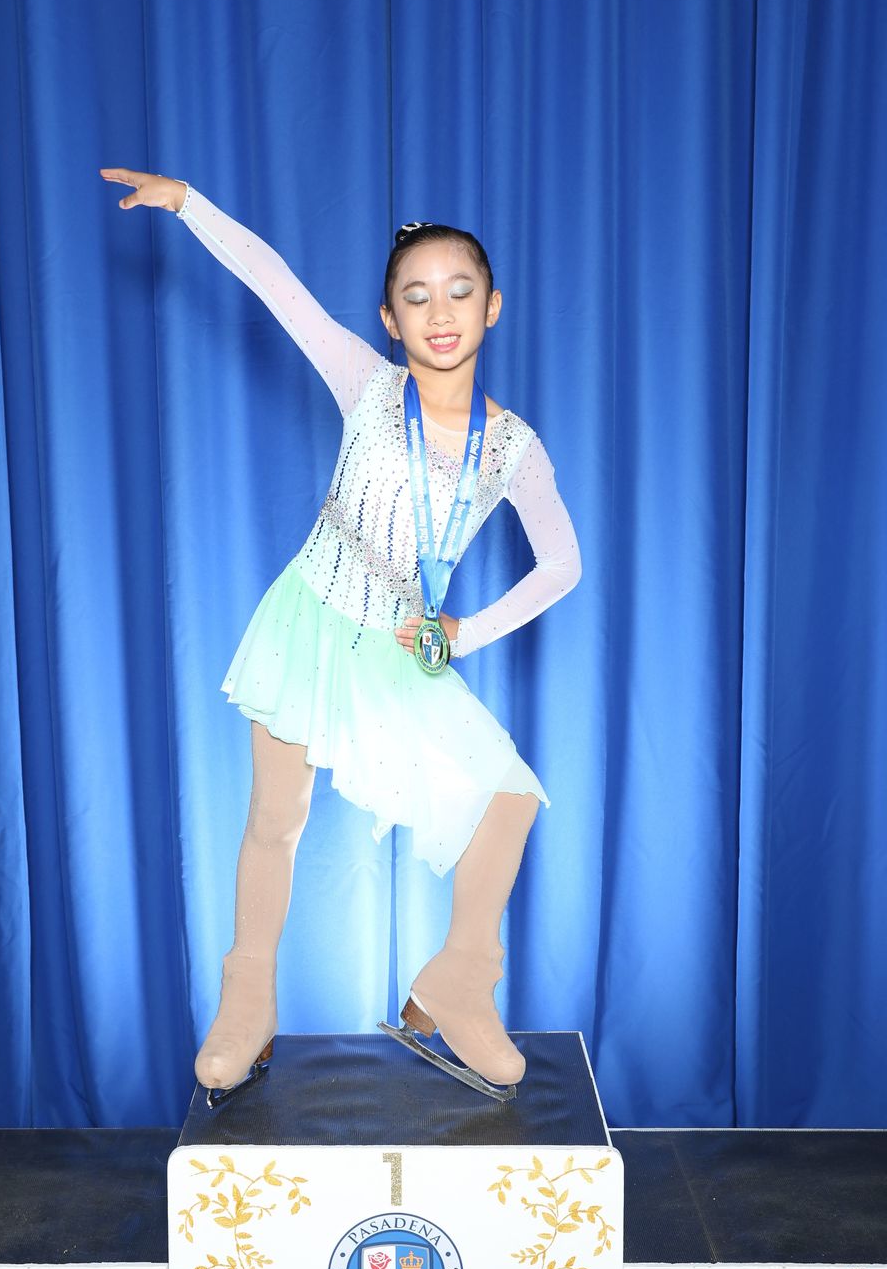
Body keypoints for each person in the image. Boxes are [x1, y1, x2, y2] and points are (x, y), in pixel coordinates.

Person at [99, 167, 582, 1104]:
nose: (439, 312)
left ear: (492, 307)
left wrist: (466, 633)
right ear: (389, 320)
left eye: (459, 291)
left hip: (398, 647)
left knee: (510, 797)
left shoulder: (514, 446)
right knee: (276, 819)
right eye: (416, 296)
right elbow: (274, 282)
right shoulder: (367, 384)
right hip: (311, 619)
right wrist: (190, 205)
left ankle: (459, 978)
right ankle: (248, 999)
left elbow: (563, 564)